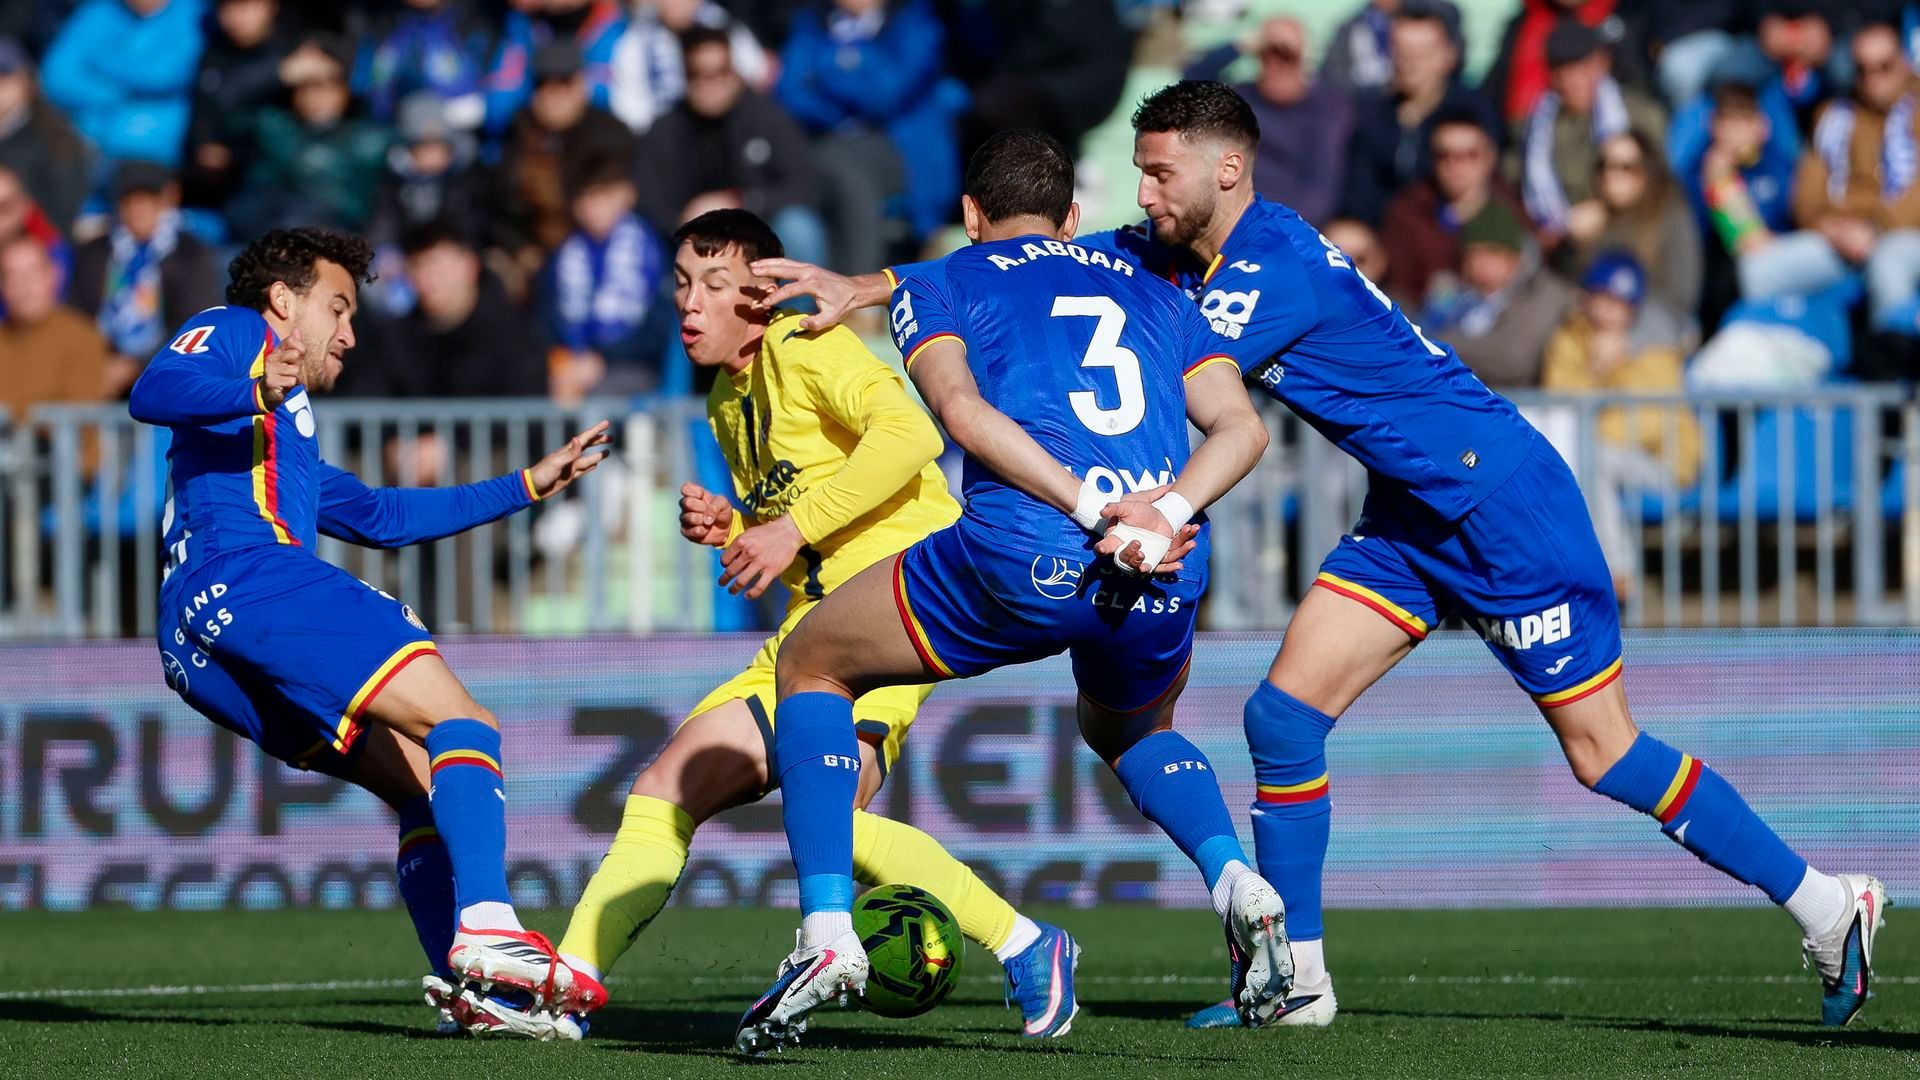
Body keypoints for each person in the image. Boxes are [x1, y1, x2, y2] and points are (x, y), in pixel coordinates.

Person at [753, 80, 1890, 1033]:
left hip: (1502, 503)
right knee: (1283, 719)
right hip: (1412, 513)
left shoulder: (1271, 268)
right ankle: (1298, 977)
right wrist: (880, 285)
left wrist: (1153, 503)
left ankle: (1826, 902)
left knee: (1604, 753)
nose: (1145, 195)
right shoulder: (1184, 249)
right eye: (1138, 175)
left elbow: (1166, 364)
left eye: (1161, 175)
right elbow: (1048, 262)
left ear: (1227, 173)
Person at [734, 129, 1287, 1056]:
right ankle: (1237, 880)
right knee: (1132, 731)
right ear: (1072, 217)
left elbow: (961, 413)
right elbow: (1242, 430)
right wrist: (1159, 514)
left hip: (1030, 552)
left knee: (812, 661)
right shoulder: (1157, 290)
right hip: (1165, 560)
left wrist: (1093, 508)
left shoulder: (945, 281)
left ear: (969, 214)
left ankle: (826, 932)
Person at [517, 207, 1082, 1042]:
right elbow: (806, 530)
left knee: (827, 816)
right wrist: (742, 530)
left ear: (760, 296)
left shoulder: (805, 345)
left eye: (714, 284)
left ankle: (1026, 945)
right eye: (682, 284)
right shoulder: (725, 396)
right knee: (670, 790)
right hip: (812, 630)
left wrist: (786, 528)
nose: (690, 303)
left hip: (894, 611)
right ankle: (568, 987)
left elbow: (910, 435)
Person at [126, 226, 611, 1038]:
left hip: (193, 641)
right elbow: (154, 388)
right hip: (250, 579)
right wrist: (257, 385)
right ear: (282, 301)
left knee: (417, 784)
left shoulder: (284, 427)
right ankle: (489, 926)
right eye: (338, 308)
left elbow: (382, 516)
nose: (350, 333)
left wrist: (528, 484)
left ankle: (478, 996)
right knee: (464, 723)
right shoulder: (241, 332)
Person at [1742, 22, 1920, 339]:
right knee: (1758, 272)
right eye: (1863, 69)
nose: (1874, 78)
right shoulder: (1834, 116)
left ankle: (1894, 363)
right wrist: (1834, 229)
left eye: (1884, 66)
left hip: (1904, 234)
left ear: (1904, 63)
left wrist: (1876, 227)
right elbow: (1807, 193)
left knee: (1889, 266)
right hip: (1842, 236)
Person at [1540, 251, 1701, 595]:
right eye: (1601, 298)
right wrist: (1597, 370)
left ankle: (1617, 570)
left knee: (1594, 457)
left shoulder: (1656, 342)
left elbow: (1650, 423)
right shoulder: (1571, 336)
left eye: (1618, 303)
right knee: (1566, 463)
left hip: (1664, 462)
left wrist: (1600, 394)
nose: (1607, 310)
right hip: (1596, 452)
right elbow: (1561, 400)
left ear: (1633, 307)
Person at [776, 0, 964, 268]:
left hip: (904, 151)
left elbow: (887, 93)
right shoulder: (811, 22)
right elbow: (790, 93)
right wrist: (844, 98)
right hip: (826, 142)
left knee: (844, 171)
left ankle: (858, 277)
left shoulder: (914, 20)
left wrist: (836, 64)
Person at [634, 28, 824, 265]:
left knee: (798, 226)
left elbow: (804, 184)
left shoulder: (766, 117)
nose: (711, 84)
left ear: (734, 70)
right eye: (698, 73)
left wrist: (741, 202)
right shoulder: (666, 129)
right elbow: (648, 197)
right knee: (640, 235)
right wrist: (686, 223)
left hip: (759, 232)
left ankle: (800, 291)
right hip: (689, 240)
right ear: (684, 75)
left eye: (720, 71)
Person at [69, 162, 223, 398]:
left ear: (165, 201)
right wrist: (98, 361)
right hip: (98, 369)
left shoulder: (190, 254)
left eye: (147, 200)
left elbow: (197, 323)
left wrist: (137, 365)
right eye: (129, 201)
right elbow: (77, 315)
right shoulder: (95, 253)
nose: (138, 209)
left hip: (168, 373)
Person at [1184, 16, 1353, 227]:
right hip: (1237, 220)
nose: (1276, 65)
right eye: (1267, 54)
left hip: (1292, 225)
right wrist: (1243, 45)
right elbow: (1191, 82)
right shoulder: (1242, 99)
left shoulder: (1326, 107)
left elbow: (1321, 188)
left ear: (1303, 60)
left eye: (1287, 56)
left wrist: (1276, 229)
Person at [1342, 0, 1498, 225]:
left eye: (1421, 53)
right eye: (1401, 53)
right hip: (1386, 234)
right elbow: (1360, 195)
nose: (1409, 64)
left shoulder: (1473, 114)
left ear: (1449, 55)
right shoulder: (1373, 116)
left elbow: (1482, 193)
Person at [1515, 18, 1668, 246]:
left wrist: (1606, 209)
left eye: (1581, 68)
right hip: (1559, 243)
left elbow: (1661, 182)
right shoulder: (1535, 127)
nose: (1570, 80)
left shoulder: (1640, 116)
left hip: (1633, 231)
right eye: (1560, 71)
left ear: (1602, 64)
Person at [224, 34, 393, 238]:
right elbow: (223, 106)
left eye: (325, 86)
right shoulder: (274, 126)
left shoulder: (371, 139)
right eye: (304, 87)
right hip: (263, 237)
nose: (315, 98)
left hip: (335, 240)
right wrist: (279, 72)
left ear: (345, 91)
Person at [539, 157, 670, 402]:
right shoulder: (564, 254)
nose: (592, 207)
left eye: (602, 195)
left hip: (633, 366)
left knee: (597, 398)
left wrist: (602, 359)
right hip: (569, 366)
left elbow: (657, 328)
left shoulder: (651, 249)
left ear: (627, 195)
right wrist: (565, 359)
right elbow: (547, 319)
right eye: (584, 198)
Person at [1420, 198, 1576, 388]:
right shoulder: (1454, 294)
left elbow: (1514, 358)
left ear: (1514, 257)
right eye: (1474, 253)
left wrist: (1444, 345)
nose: (1481, 262)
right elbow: (1420, 343)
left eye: (1492, 253)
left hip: (1518, 400)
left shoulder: (1543, 293)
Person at [1380, 108, 1527, 304]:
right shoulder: (1407, 214)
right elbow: (1398, 290)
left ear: (1489, 157)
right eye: (1444, 155)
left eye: (1469, 154)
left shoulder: (1513, 211)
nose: (1455, 164)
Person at [40, 0, 205, 170]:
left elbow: (164, 74)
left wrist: (102, 69)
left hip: (159, 153)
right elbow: (57, 77)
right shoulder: (99, 11)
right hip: (92, 143)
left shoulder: (195, 13)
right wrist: (119, 93)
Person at [1561, 130, 1703, 320]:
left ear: (1647, 171)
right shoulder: (1592, 216)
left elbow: (1682, 295)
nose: (1611, 175)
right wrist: (1572, 245)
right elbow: (1568, 286)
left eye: (1626, 167)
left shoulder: (1670, 213)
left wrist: (1619, 316)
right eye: (1604, 165)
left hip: (1656, 321)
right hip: (1592, 319)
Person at [181, 0, 296, 216]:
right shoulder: (214, 53)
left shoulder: (295, 50)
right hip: (220, 176)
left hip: (275, 175)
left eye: (246, 6)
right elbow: (204, 110)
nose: (237, 17)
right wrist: (204, 144)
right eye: (228, 8)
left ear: (271, 7)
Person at [0, 36, 93, 234]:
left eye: (3, 77)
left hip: (34, 244)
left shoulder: (57, 140)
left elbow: (61, 219)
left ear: (25, 80)